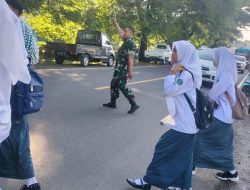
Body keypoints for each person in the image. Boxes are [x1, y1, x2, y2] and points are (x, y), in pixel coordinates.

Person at [126, 41, 202, 190]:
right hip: (187, 125)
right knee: (184, 157)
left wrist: (172, 73)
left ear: (184, 54)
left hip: (184, 125)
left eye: (175, 51)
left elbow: (169, 90)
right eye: (172, 50)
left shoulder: (185, 75)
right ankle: (184, 186)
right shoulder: (186, 72)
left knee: (162, 149)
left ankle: (147, 181)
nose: (172, 53)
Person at [0, 1, 41, 190]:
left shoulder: (11, 23)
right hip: (18, 89)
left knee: (13, 137)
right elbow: (34, 56)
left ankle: (31, 183)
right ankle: (31, 183)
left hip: (9, 89)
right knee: (21, 136)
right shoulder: (26, 27)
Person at [193, 47, 239, 182]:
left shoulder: (225, 74)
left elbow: (214, 94)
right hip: (224, 117)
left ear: (222, 58)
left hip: (220, 116)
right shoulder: (228, 72)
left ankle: (192, 165)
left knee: (198, 136)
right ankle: (232, 173)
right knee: (223, 146)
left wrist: (205, 98)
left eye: (216, 57)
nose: (214, 59)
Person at [0, 0, 30, 144]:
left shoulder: (11, 22)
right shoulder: (17, 25)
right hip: (15, 86)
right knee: (20, 141)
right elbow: (30, 58)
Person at [103, 15, 140, 114]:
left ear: (131, 33)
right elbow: (120, 32)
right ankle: (113, 102)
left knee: (122, 85)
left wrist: (130, 71)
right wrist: (115, 23)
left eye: (126, 31)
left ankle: (133, 104)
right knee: (113, 84)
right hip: (118, 68)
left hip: (123, 69)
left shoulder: (131, 43)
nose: (124, 32)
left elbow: (130, 58)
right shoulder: (126, 41)